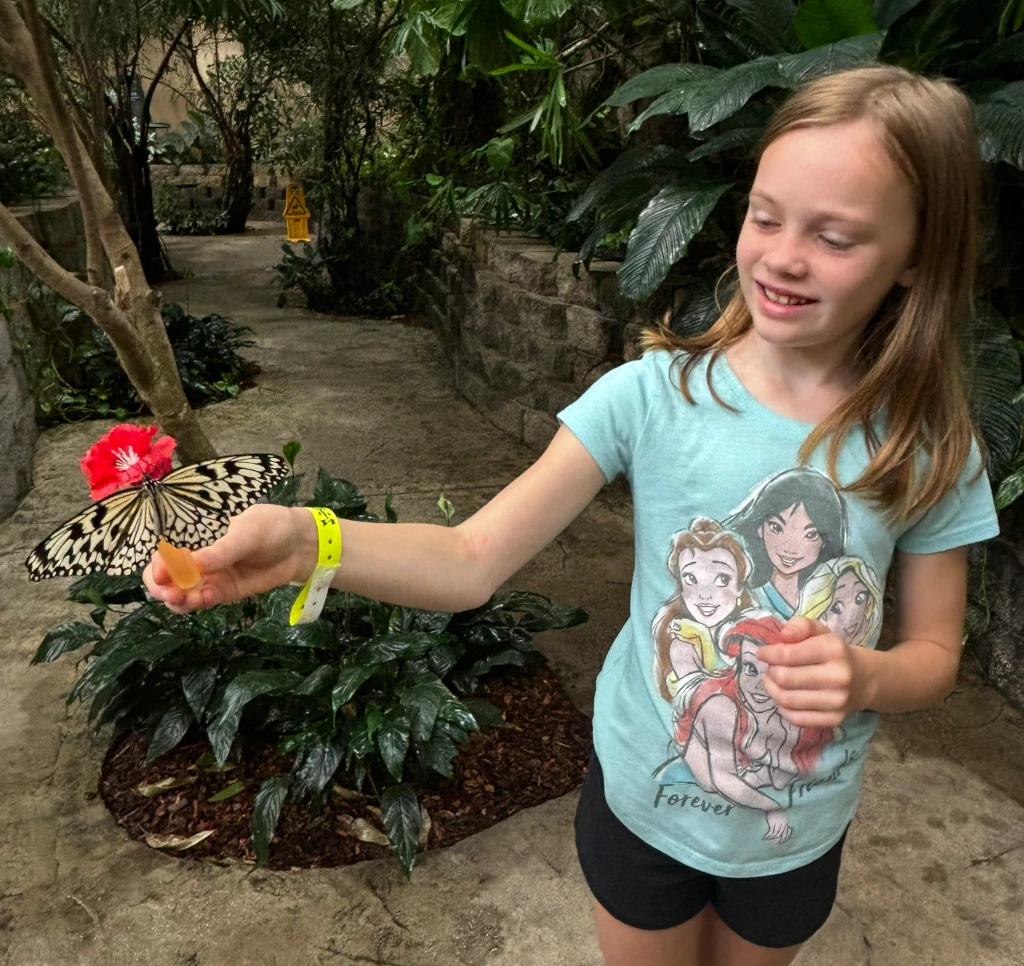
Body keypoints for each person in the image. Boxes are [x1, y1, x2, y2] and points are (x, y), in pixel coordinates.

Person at [145, 65, 1001, 966]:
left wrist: (864, 678)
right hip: (641, 804)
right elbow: (471, 557)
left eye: (837, 237)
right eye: (765, 214)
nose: (784, 255)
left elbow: (935, 657)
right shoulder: (649, 398)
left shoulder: (927, 446)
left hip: (796, 827)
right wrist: (299, 538)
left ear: (916, 257)